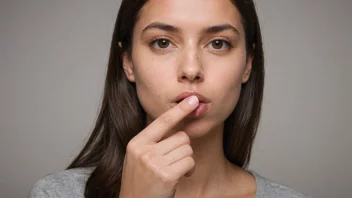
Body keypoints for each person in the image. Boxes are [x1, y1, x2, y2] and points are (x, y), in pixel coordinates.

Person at [29, 0, 311, 197]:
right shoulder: (57, 194)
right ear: (128, 62)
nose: (191, 70)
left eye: (218, 43)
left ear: (248, 64)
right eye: (162, 43)